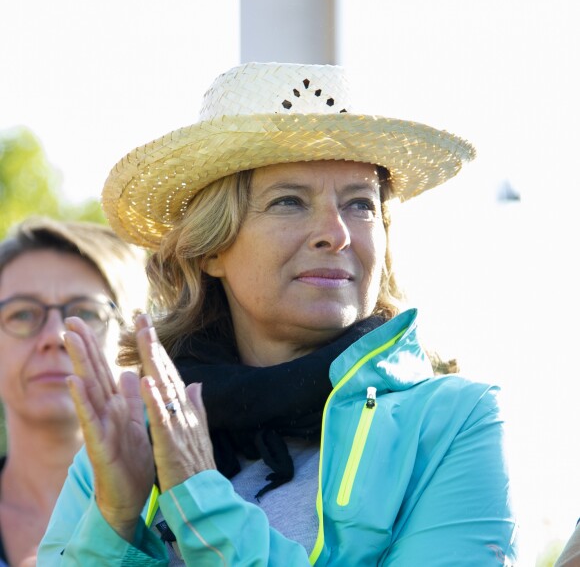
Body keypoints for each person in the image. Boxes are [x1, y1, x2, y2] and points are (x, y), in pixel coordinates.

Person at [38, 62, 518, 565]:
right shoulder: (131, 431)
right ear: (211, 248)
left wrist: (203, 504)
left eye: (361, 204)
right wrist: (113, 520)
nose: (336, 233)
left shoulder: (456, 422)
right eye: (290, 201)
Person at [0, 216, 149, 566]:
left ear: (135, 344)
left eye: (86, 312)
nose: (55, 336)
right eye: (21, 314)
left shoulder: (185, 515)